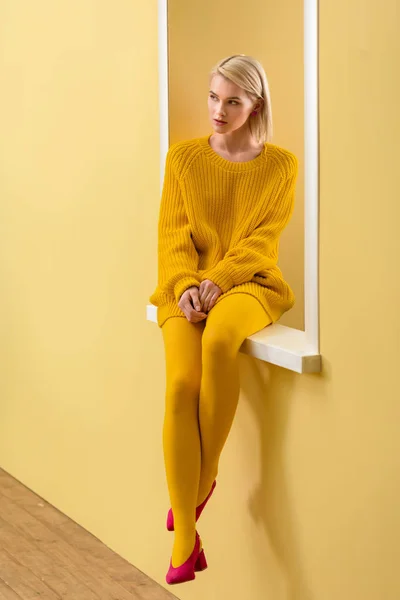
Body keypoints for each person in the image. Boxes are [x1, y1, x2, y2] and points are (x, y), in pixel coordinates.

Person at [149, 54, 298, 585]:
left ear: (255, 105)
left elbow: (261, 241)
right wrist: (188, 284)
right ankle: (190, 528)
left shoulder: (280, 165)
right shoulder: (184, 159)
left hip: (251, 285)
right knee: (179, 387)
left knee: (218, 344)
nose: (218, 109)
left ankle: (195, 494)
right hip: (186, 287)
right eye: (214, 97)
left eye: (232, 101)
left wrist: (222, 278)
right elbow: (172, 237)